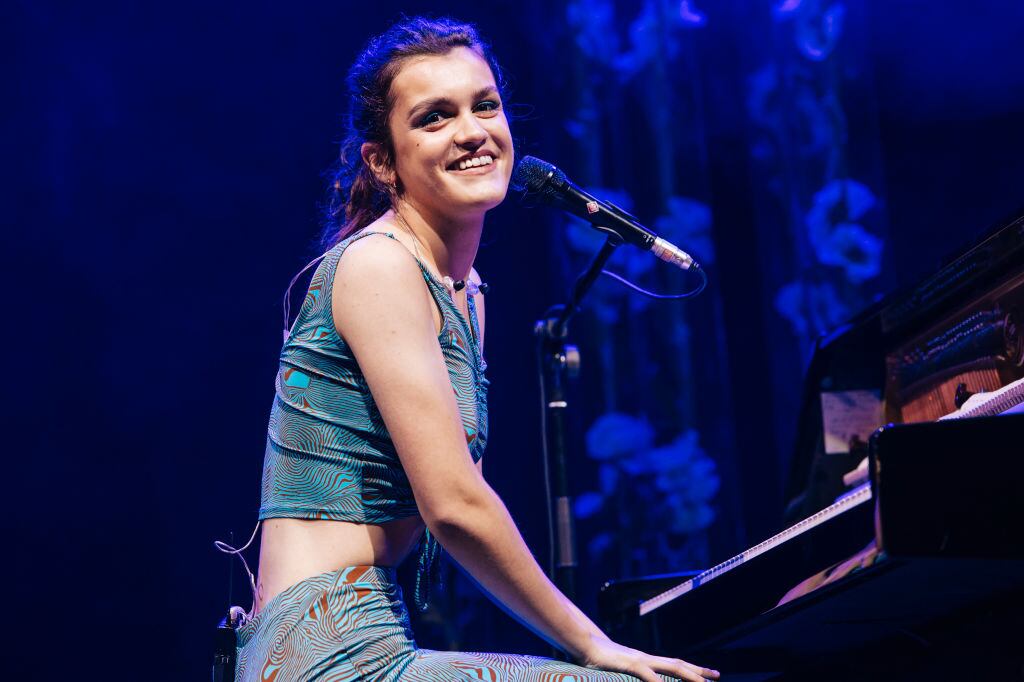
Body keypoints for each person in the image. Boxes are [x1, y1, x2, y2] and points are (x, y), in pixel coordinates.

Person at [235, 16, 720, 682]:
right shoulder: (378, 266)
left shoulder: (464, 291)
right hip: (321, 653)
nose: (472, 131)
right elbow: (455, 504)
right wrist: (593, 644)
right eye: (435, 117)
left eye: (484, 105)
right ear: (382, 161)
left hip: (376, 631)